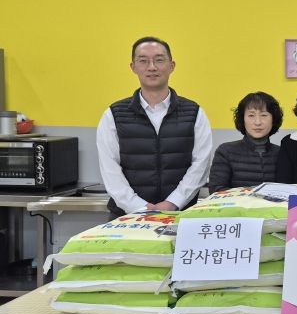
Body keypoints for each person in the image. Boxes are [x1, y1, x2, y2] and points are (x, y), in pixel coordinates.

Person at [96, 36, 212, 218]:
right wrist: (140, 208)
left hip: (181, 216)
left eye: (159, 60)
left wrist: (173, 203)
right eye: (143, 61)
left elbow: (201, 165)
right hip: (127, 218)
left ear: (172, 66)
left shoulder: (194, 113)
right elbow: (110, 169)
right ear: (133, 67)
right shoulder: (114, 114)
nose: (151, 67)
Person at [208, 92, 283, 193]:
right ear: (242, 119)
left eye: (264, 115)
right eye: (251, 115)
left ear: (273, 119)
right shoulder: (226, 151)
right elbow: (216, 189)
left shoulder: (282, 153)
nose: (257, 122)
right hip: (235, 204)